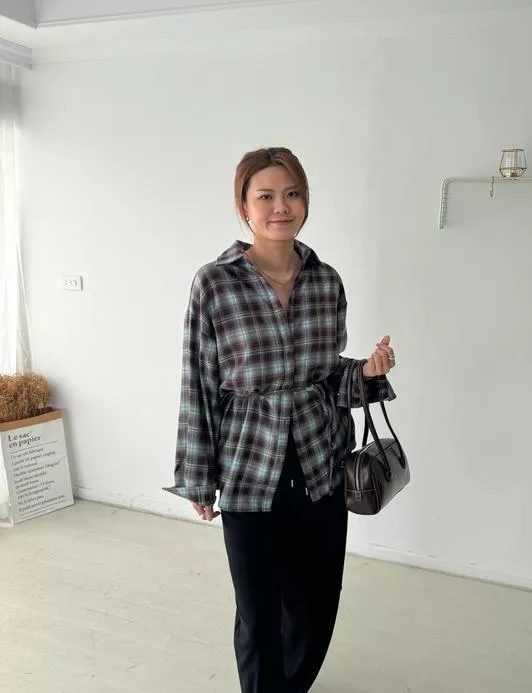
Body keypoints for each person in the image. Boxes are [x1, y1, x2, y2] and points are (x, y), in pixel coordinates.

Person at [164, 147, 396, 693]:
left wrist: (366, 371)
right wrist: (197, 477)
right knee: (258, 611)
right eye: (265, 196)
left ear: (306, 201)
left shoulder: (327, 281)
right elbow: (198, 383)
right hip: (249, 468)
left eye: (292, 194)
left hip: (322, 462)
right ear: (244, 206)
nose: (280, 207)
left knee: (316, 602)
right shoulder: (214, 283)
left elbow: (326, 375)